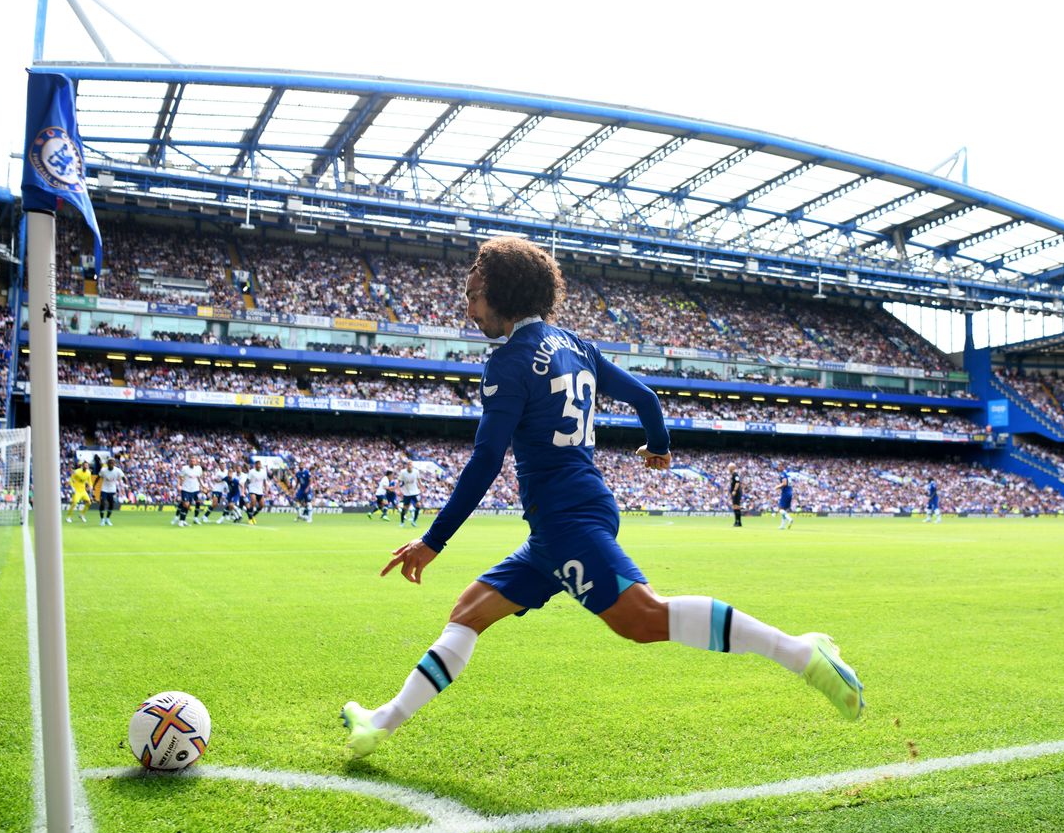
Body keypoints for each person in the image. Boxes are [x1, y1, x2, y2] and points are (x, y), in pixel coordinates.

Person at [341, 237, 863, 759]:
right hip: (561, 522)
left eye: (475, 294)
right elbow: (647, 399)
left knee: (642, 618)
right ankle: (380, 724)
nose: (468, 305)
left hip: (567, 518)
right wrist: (658, 447)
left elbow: (486, 460)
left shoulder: (507, 363)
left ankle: (800, 651)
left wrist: (433, 541)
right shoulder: (577, 346)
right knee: (469, 611)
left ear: (503, 294)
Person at [174, 456, 203, 528]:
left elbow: (199, 477)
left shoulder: (198, 469)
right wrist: (178, 485)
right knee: (186, 504)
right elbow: (180, 477)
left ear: (196, 462)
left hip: (194, 489)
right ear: (189, 461)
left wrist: (202, 485)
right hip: (186, 489)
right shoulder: (185, 468)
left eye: (194, 461)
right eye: (191, 461)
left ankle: (184, 521)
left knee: (189, 505)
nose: (192, 462)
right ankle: (180, 521)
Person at [95, 458, 124, 527]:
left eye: (112, 463)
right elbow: (98, 477)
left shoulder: (117, 470)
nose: (111, 464)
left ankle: (107, 519)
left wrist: (122, 487)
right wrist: (94, 486)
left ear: (114, 464)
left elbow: (121, 478)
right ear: (107, 463)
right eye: (109, 462)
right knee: (102, 503)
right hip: (104, 489)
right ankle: (102, 519)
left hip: (112, 490)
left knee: (111, 504)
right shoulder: (103, 470)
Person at [397, 461, 422, 528]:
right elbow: (398, 481)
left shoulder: (416, 472)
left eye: (410, 465)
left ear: (412, 465)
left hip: (415, 492)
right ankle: (402, 522)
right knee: (405, 508)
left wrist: (421, 487)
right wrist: (398, 490)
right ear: (406, 466)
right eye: (408, 465)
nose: (409, 466)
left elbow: (419, 480)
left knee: (418, 505)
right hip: (407, 493)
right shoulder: (403, 472)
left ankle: (414, 521)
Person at [244, 459, 268, 524]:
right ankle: (250, 519)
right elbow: (247, 481)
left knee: (262, 505)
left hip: (260, 490)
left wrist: (266, 489)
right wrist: (244, 489)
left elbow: (265, 481)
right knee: (253, 502)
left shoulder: (263, 472)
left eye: (259, 464)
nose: (259, 465)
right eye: (257, 464)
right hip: (252, 489)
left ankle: (252, 515)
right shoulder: (251, 472)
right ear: (255, 465)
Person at [728, 463, 744, 527]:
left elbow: (737, 483)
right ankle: (737, 522)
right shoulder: (732, 475)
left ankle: (738, 522)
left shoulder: (735, 474)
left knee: (736, 507)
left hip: (737, 493)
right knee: (735, 507)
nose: (728, 469)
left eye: (729, 467)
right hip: (735, 493)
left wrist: (734, 490)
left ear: (732, 468)